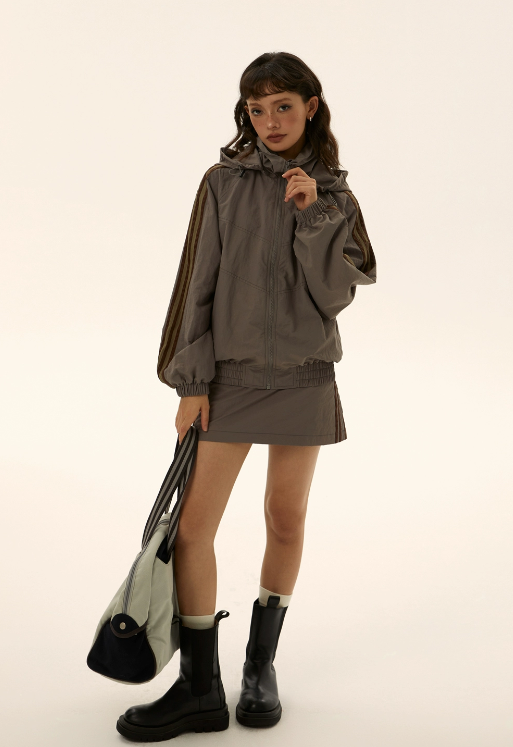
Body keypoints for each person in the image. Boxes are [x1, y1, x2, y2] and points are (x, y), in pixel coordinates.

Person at [116, 51, 377, 742]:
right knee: (192, 530)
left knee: (284, 520)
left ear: (311, 107)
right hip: (228, 377)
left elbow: (335, 296)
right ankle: (199, 686)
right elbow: (194, 285)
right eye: (257, 110)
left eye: (283, 107)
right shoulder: (221, 183)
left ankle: (260, 665)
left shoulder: (335, 196)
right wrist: (190, 381)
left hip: (303, 377)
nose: (270, 122)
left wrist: (313, 216)